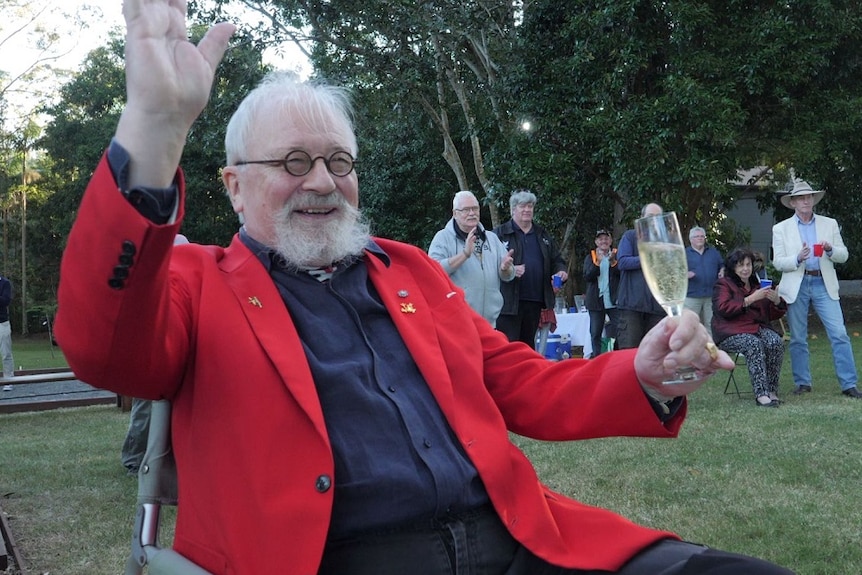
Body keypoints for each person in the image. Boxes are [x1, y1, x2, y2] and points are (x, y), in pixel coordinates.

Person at [54, 3, 793, 573]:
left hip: (515, 544)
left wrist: (642, 369)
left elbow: (520, 381)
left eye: (339, 161)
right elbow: (100, 345)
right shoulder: (195, 284)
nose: (322, 181)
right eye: (294, 160)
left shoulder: (408, 271)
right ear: (234, 187)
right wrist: (154, 123)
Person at [772, 179, 862, 398]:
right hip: (797, 285)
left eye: (809, 197)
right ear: (793, 202)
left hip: (823, 283)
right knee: (798, 338)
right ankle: (803, 383)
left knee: (839, 334)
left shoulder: (829, 223)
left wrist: (831, 250)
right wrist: (797, 257)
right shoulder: (780, 228)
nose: (806, 201)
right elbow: (778, 262)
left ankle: (849, 384)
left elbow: (844, 255)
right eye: (802, 198)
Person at [121, 234, 189, 475]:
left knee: (175, 409)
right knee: (145, 409)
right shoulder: (148, 279)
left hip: (176, 349)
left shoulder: (183, 279)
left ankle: (170, 460)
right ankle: (134, 460)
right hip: (151, 351)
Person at [712, 248, 787, 407]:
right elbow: (723, 309)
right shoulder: (724, 284)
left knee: (775, 342)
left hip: (756, 328)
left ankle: (772, 391)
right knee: (753, 343)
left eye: (748, 264)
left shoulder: (758, 284)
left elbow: (770, 315)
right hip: (729, 332)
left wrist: (776, 301)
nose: (745, 269)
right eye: (741, 265)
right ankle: (761, 394)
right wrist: (750, 299)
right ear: (733, 267)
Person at [493, 190, 568, 348]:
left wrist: (561, 270)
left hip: (535, 301)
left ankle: (527, 374)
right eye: (522, 206)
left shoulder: (542, 235)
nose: (527, 210)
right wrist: (509, 269)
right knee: (508, 347)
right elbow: (488, 263)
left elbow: (557, 259)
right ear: (513, 209)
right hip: (508, 303)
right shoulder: (500, 234)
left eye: (530, 206)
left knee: (528, 347)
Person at [428, 191, 514, 327]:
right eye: (466, 210)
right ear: (455, 213)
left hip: (489, 324)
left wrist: (506, 269)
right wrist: (465, 254)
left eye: (475, 208)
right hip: (456, 323)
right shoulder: (442, 238)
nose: (472, 213)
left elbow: (508, 276)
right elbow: (432, 272)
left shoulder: (492, 238)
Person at [615, 203, 666, 349]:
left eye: (658, 217)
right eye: (650, 216)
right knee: (629, 355)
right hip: (632, 308)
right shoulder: (630, 236)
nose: (654, 220)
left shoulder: (665, 242)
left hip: (657, 309)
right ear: (642, 218)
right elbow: (623, 262)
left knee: (654, 354)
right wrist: (648, 259)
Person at [582, 229, 619, 358]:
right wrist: (597, 262)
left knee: (619, 329)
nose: (603, 241)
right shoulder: (590, 257)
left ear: (610, 241)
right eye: (600, 239)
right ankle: (597, 358)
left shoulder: (616, 255)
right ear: (596, 242)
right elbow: (587, 277)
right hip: (596, 301)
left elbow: (621, 275)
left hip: (613, 300)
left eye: (606, 238)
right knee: (595, 333)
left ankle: (616, 356)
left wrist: (613, 262)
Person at [684, 226, 723, 337]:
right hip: (691, 296)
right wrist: (684, 275)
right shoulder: (684, 253)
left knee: (711, 325)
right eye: (697, 236)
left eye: (702, 236)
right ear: (691, 239)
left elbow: (722, 265)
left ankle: (710, 350)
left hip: (710, 295)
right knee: (690, 324)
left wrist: (722, 270)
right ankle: (691, 351)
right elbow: (674, 271)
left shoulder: (713, 252)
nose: (700, 238)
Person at [0, 274, 13, 379]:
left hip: (2, 323)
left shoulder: (5, 283)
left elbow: (5, 300)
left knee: (6, 353)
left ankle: (8, 379)